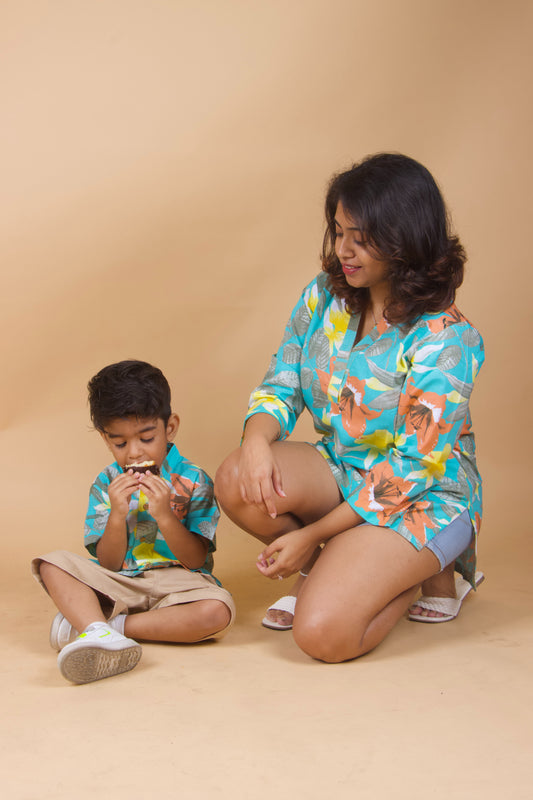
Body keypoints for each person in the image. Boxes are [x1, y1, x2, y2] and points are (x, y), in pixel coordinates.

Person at [215, 153, 485, 663]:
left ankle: (408, 574)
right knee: (236, 478)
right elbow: (282, 382)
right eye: (339, 232)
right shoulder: (324, 297)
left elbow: (409, 469)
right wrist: (255, 443)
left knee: (323, 634)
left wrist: (311, 536)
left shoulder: (448, 339)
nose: (343, 250)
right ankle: (341, 565)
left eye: (361, 238)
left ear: (405, 239)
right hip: (346, 468)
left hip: (424, 495)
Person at [32, 360, 235, 684]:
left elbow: (196, 560)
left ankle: (103, 628)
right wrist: (116, 515)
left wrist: (165, 515)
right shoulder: (105, 484)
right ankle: (97, 627)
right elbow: (108, 563)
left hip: (179, 584)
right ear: (106, 438)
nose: (135, 453)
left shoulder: (195, 480)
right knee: (51, 564)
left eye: (146, 437)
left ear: (170, 428)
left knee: (217, 611)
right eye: (120, 443)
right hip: (120, 582)